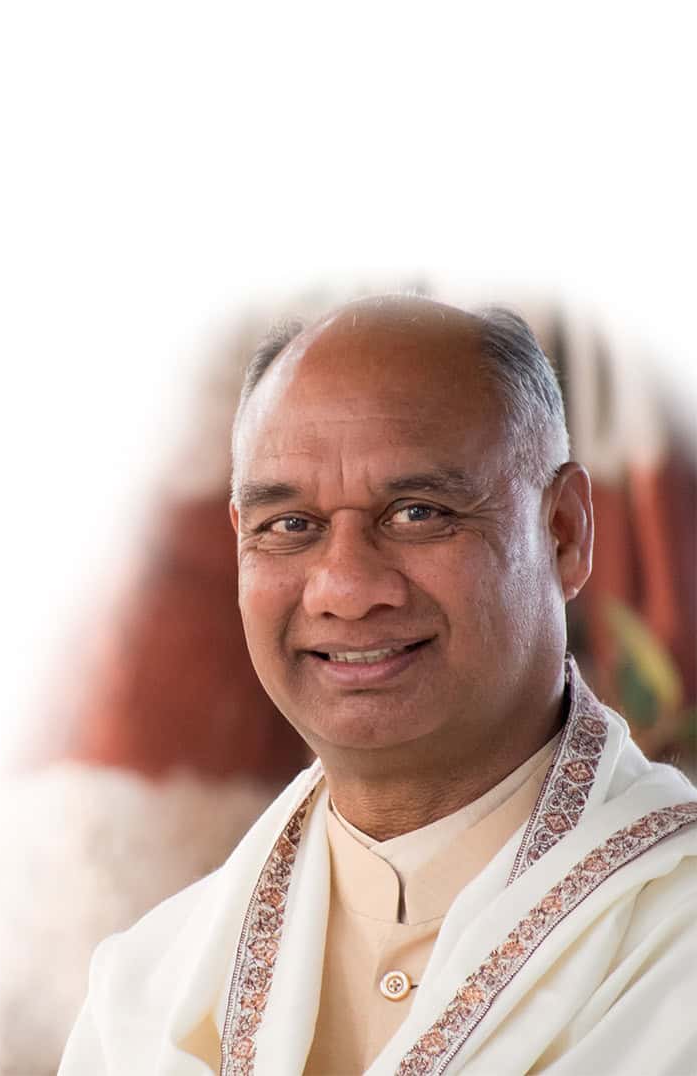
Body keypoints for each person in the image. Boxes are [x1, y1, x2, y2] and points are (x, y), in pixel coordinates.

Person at [59, 295, 697, 1076]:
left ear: (564, 531)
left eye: (417, 512)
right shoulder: (145, 992)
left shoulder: (675, 939)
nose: (346, 588)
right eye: (291, 525)